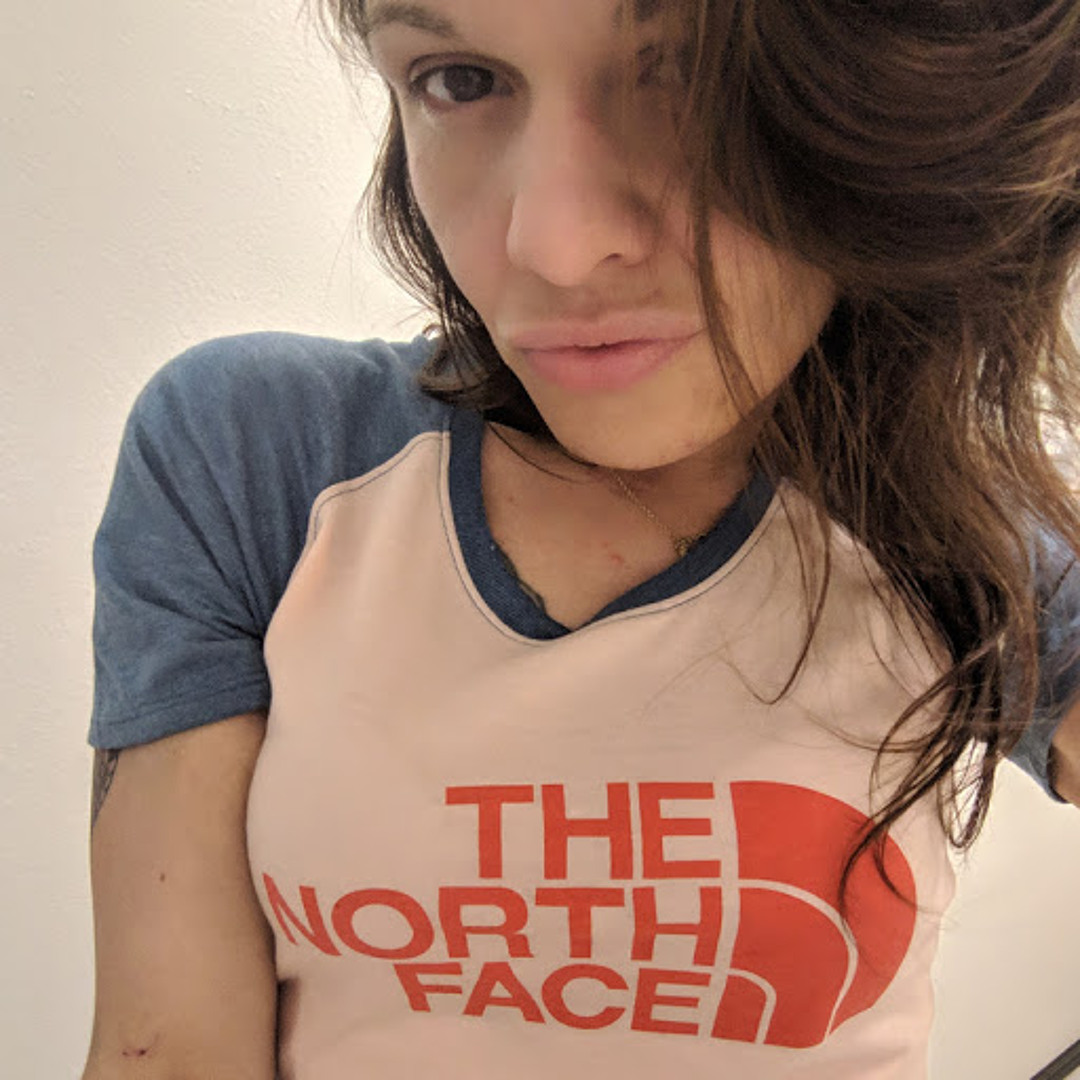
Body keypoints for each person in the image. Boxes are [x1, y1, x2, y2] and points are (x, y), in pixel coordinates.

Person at [81, 0, 1080, 1077]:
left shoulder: (945, 514)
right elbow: (170, 1053)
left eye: (690, 74)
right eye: (459, 80)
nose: (554, 247)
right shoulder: (257, 458)